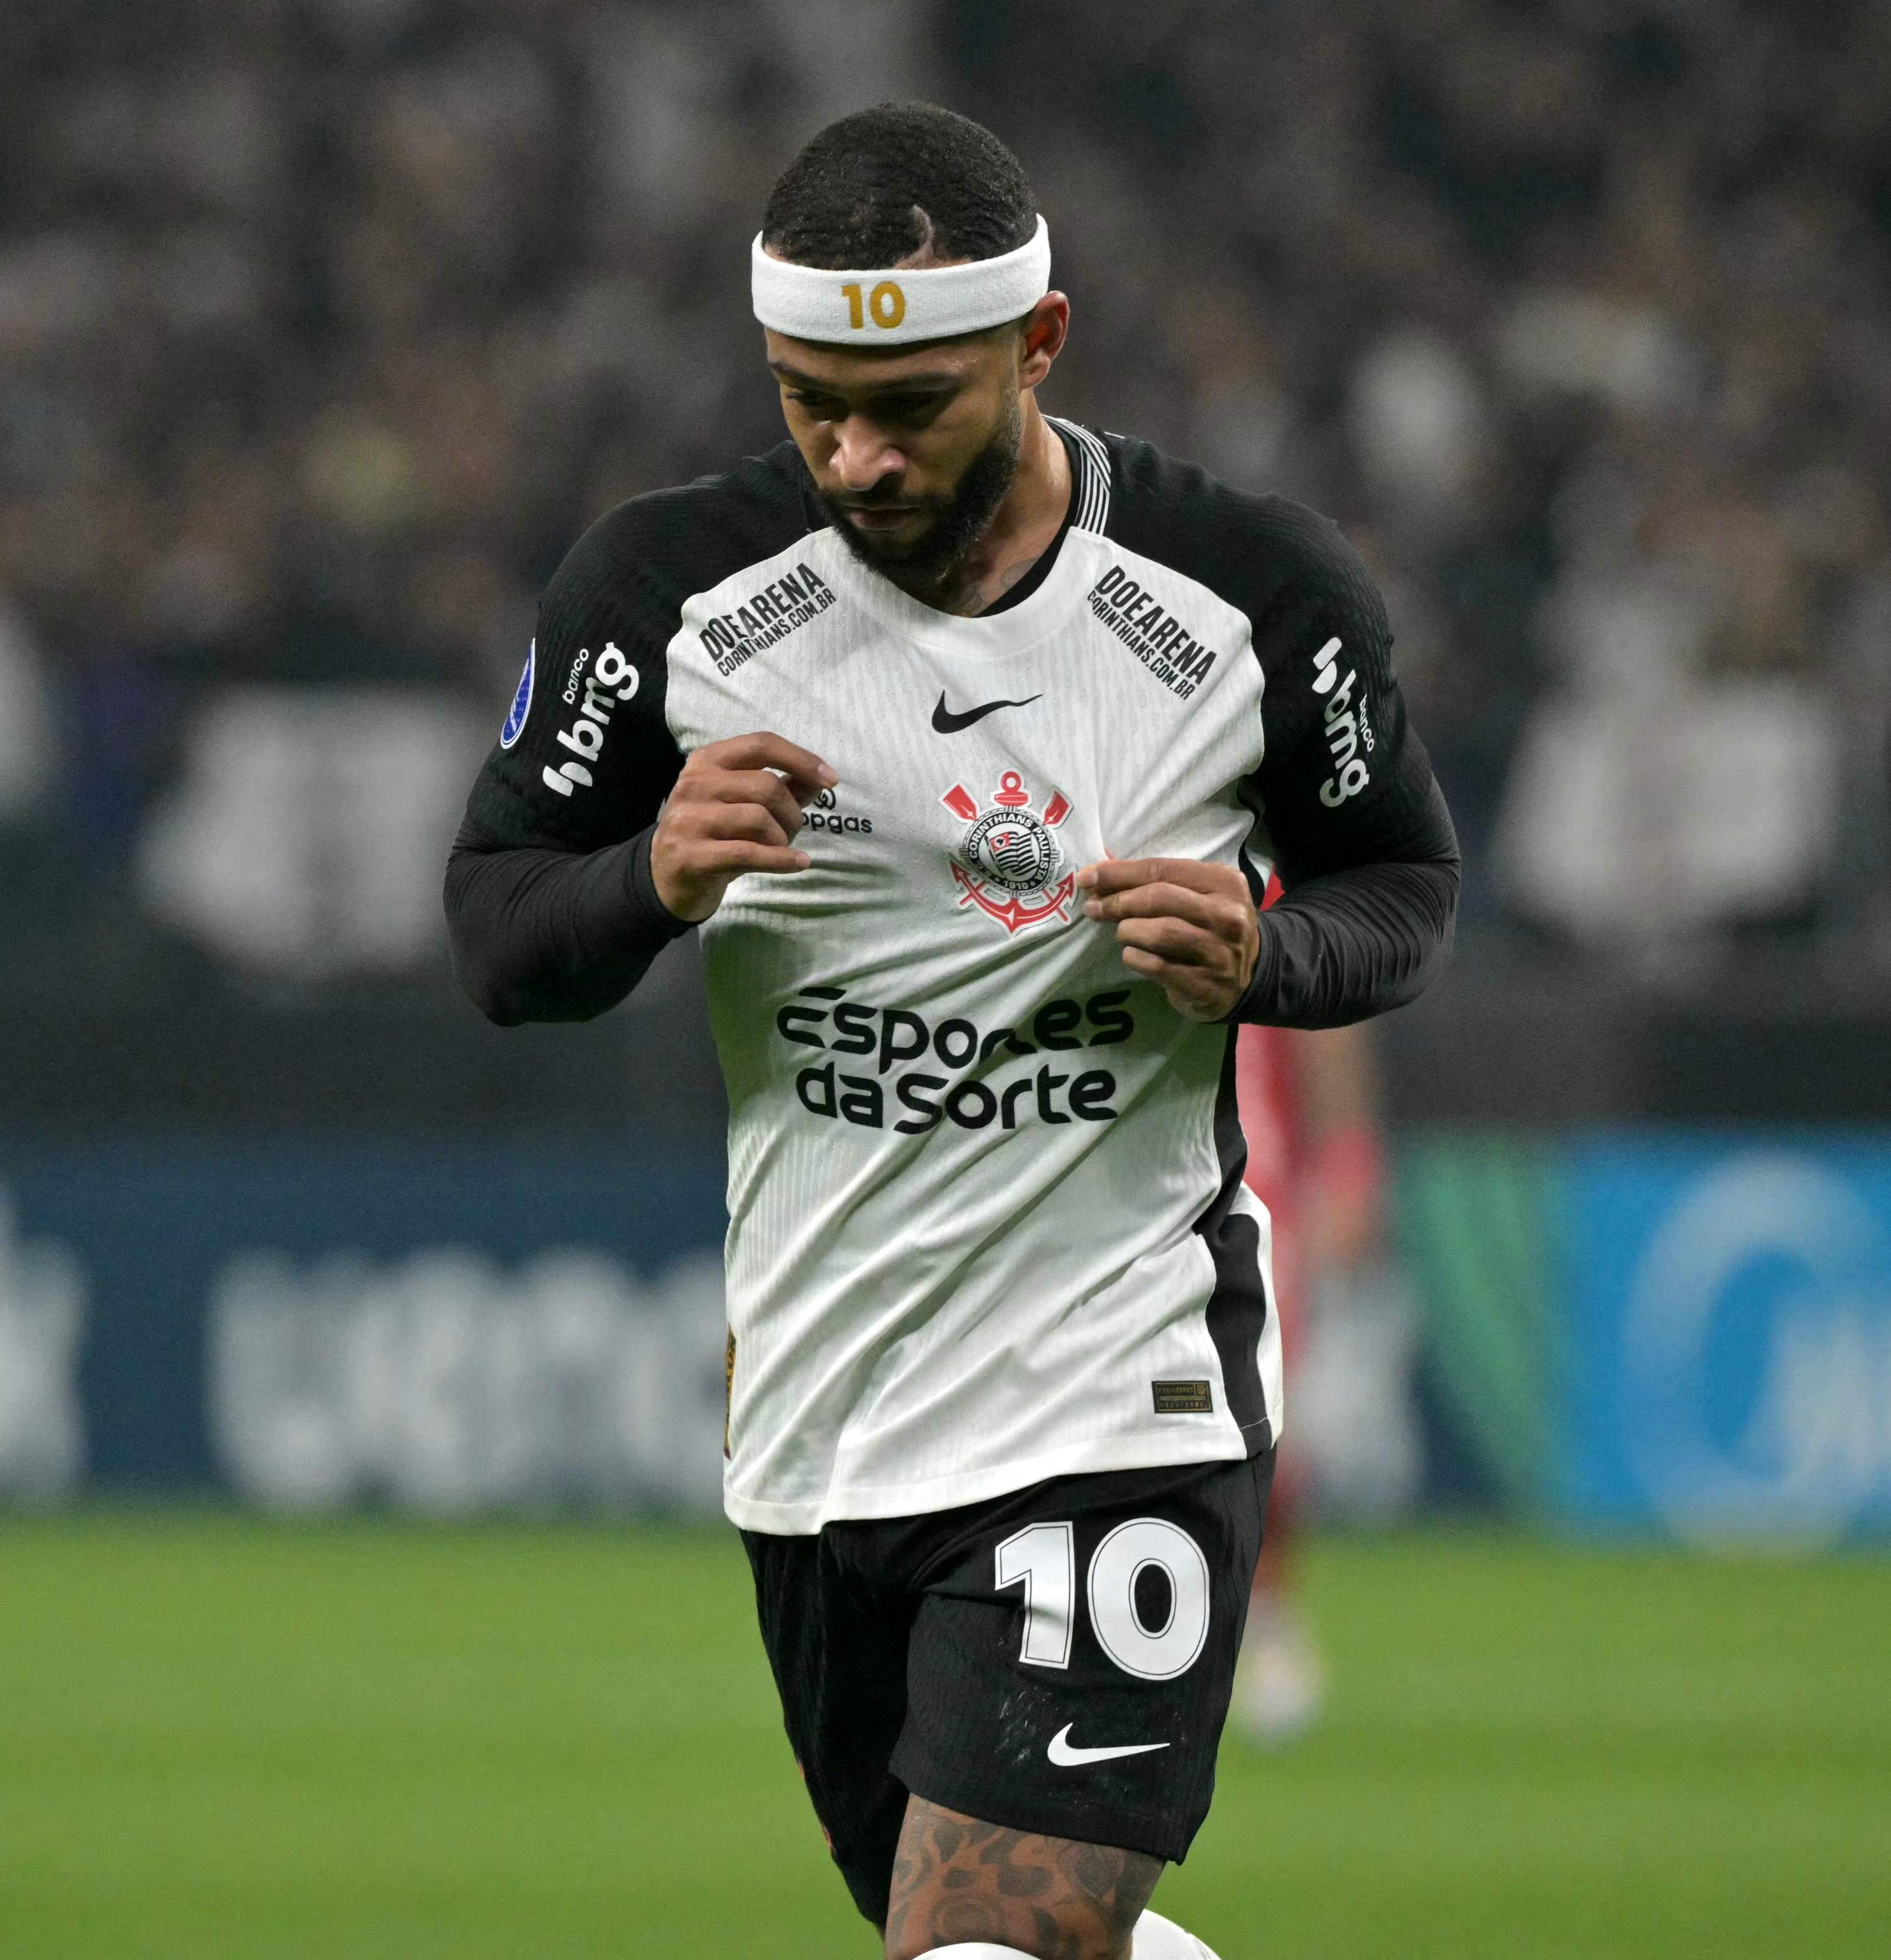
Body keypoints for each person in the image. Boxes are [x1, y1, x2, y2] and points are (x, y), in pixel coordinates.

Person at [444, 104, 1458, 1960]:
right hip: (821, 1422)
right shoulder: (663, 598)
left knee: (985, 1948)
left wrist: (1267, 952)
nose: (855, 454)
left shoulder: (1246, 595)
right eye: (808, 403)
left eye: (907, 405)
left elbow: (1401, 883)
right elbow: (501, 931)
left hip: (1117, 1390)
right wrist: (648, 877)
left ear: (1038, 343)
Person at [1228, 1009, 1389, 1747]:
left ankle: (1270, 1625)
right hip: (1138, 1189)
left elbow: (1327, 1020)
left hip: (1258, 1191)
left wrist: (1349, 1162)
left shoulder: (1273, 927)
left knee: (1262, 1423)